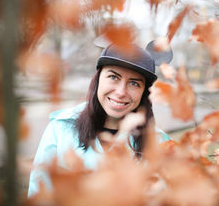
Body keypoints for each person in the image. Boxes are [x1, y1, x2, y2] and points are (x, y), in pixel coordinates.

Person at [27, 43, 171, 197]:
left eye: (134, 83)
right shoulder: (60, 129)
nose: (121, 92)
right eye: (113, 77)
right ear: (98, 79)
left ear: (144, 92)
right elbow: (40, 199)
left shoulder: (159, 143)